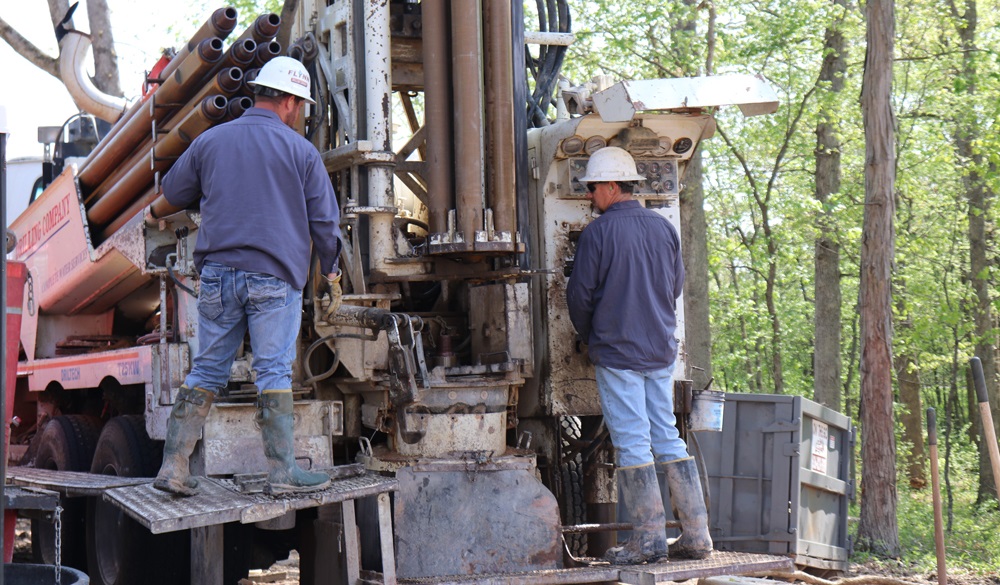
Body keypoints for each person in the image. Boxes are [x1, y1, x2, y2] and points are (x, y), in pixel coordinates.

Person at [153, 56, 342, 496]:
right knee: (273, 370)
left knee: (208, 368)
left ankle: (174, 467)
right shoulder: (302, 152)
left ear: (259, 92)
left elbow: (173, 192)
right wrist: (330, 271)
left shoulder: (212, 141)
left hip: (218, 275)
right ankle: (282, 474)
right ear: (291, 102)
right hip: (274, 278)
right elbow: (326, 226)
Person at [566, 146, 712, 563]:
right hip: (659, 349)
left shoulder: (598, 233)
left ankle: (647, 540)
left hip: (618, 350)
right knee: (666, 435)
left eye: (594, 188)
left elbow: (580, 296)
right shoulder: (664, 228)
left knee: (632, 441)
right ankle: (696, 535)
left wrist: (590, 334)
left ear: (612, 186)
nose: (591, 195)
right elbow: (675, 287)